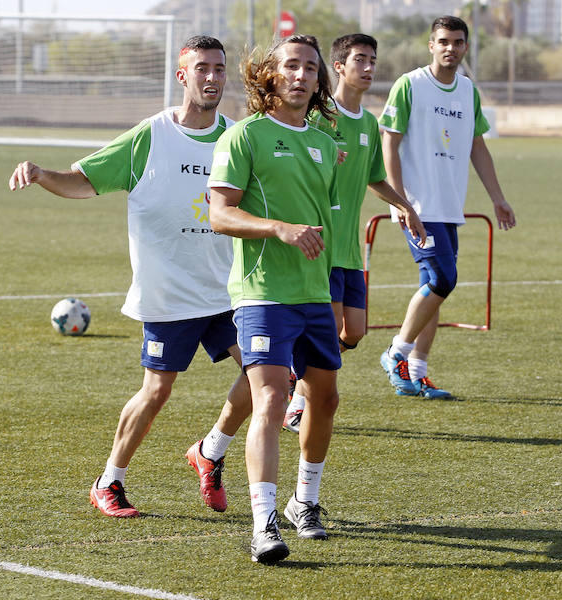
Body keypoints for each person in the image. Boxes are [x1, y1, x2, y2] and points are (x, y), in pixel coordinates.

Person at [8, 36, 252, 518]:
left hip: (228, 290)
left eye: (219, 69)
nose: (211, 77)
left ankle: (210, 450)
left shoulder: (236, 137)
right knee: (157, 391)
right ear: (182, 76)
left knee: (270, 376)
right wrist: (41, 174)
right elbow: (85, 181)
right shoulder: (150, 136)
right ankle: (109, 481)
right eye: (201, 68)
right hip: (169, 295)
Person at [207, 34, 341, 565]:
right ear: (270, 75)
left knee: (326, 401)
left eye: (310, 67)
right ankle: (263, 524)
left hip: (315, 294)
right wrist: (277, 228)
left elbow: (327, 227)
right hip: (263, 294)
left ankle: (303, 502)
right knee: (272, 400)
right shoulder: (246, 136)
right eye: (290, 65)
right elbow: (219, 214)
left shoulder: (327, 144)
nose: (300, 74)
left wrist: (333, 292)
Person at [282, 33, 426, 434]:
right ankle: (296, 404)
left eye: (372, 60)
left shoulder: (368, 122)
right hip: (320, 249)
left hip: (349, 249)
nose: (368, 67)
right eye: (360, 59)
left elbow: (375, 177)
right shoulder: (316, 117)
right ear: (339, 67)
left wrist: (405, 206)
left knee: (355, 333)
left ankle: (295, 378)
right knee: (324, 339)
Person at [378, 16, 517, 399]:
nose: (450, 48)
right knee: (443, 279)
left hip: (449, 206)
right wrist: (401, 201)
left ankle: (417, 373)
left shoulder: (468, 90)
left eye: (457, 42)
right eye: (443, 41)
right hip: (417, 206)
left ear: (465, 47)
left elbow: (477, 146)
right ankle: (397, 352)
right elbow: (389, 141)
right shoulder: (410, 84)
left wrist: (498, 198)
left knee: (434, 287)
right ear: (431, 44)